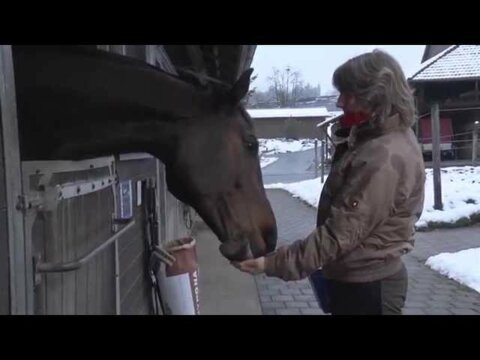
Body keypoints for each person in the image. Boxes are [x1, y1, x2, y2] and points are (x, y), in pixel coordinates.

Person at [233, 49, 426, 315]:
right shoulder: (376, 139)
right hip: (358, 280)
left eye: (348, 94)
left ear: (375, 97)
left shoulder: (383, 157)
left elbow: (339, 234)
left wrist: (272, 264)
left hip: (368, 289)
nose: (339, 102)